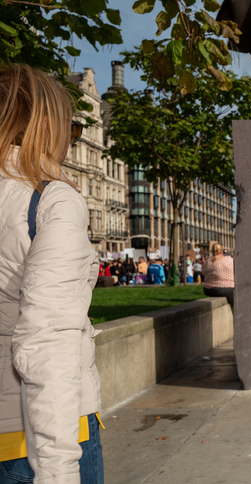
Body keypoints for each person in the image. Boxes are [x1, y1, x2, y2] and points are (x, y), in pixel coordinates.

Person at [0, 64, 104, 483]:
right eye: (70, 130)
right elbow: (47, 343)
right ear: (46, 124)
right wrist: (59, 473)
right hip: (33, 442)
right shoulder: (51, 199)